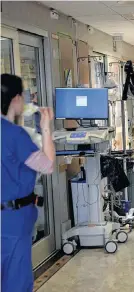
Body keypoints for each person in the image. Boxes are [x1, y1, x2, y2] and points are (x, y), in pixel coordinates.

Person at [1, 74, 55, 292]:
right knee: (15, 280)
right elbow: (48, 165)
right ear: (15, 99)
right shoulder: (14, 135)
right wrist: (46, 127)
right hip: (12, 221)